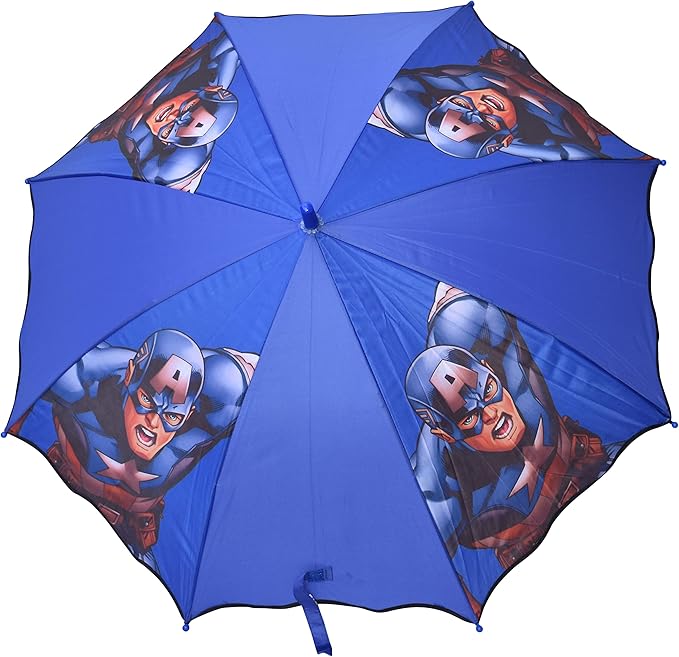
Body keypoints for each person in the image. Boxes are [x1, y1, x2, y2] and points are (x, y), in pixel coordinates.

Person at [11, 329, 258, 571]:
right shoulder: (86, 383)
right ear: (130, 377)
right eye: (147, 401)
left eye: (171, 416)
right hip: (52, 497)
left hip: (130, 544)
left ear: (190, 413)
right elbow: (35, 364)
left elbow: (262, 387)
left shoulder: (212, 413)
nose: (153, 422)